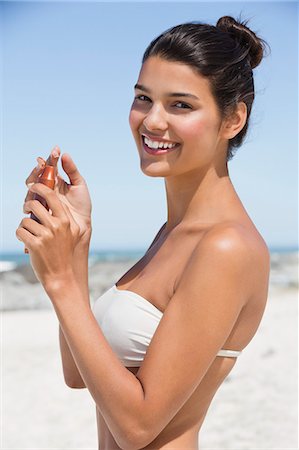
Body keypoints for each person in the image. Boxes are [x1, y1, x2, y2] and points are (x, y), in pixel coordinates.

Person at [17, 15, 271, 450]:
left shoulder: (225, 247)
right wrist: (75, 245)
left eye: (180, 105)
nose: (152, 121)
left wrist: (59, 280)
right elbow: (78, 374)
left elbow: (136, 428)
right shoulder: (171, 235)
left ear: (233, 120)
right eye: (143, 98)